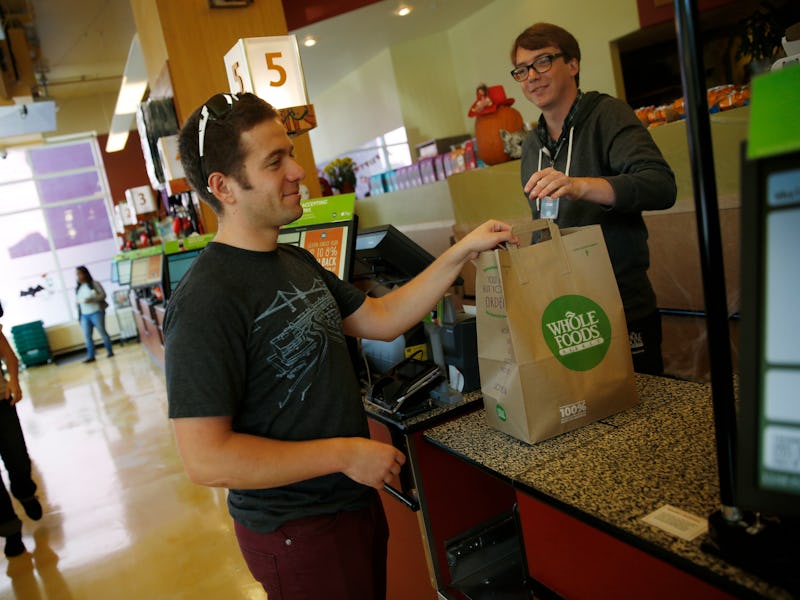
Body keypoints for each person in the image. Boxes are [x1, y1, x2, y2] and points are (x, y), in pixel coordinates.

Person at [165, 92, 517, 599]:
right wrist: (344, 454)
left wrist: (462, 251)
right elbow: (206, 458)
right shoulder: (204, 300)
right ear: (224, 187)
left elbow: (383, 318)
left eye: (290, 153)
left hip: (349, 504)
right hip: (296, 529)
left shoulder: (294, 261)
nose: (297, 172)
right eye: (274, 162)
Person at [510, 23, 677, 375]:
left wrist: (580, 186)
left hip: (622, 305)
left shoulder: (607, 115)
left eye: (543, 62)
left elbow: (660, 185)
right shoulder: (530, 145)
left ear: (573, 64)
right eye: (522, 69)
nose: (531, 77)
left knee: (641, 419)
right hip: (568, 312)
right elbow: (545, 224)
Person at [0, 322, 43, 557]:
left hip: (1, 401)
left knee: (17, 457)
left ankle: (25, 492)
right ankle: (10, 530)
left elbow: (6, 352)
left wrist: (14, 381)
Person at [75, 266, 113, 363]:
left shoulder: (94, 284)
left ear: (85, 274)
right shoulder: (78, 288)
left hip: (96, 312)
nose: (78, 276)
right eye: (77, 274)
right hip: (84, 315)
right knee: (87, 336)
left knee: (102, 332)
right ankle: (91, 355)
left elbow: (103, 295)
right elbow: (78, 303)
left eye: (80, 273)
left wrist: (91, 300)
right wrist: (79, 316)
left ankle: (109, 351)